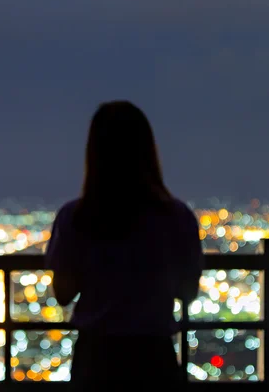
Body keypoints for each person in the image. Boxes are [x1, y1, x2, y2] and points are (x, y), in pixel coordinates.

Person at [44, 101, 204, 389]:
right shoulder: (177, 217)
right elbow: (187, 290)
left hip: (97, 358)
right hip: (154, 357)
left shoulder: (76, 217)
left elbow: (64, 293)